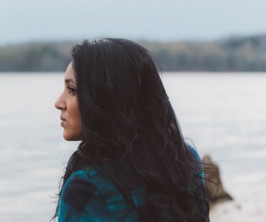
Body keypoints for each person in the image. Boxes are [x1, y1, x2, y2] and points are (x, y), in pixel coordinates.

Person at [53, 39, 209, 221]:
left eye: (72, 90)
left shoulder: (86, 188)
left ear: (106, 98)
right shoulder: (183, 161)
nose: (58, 103)